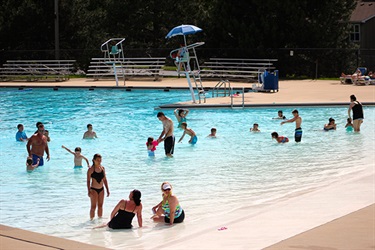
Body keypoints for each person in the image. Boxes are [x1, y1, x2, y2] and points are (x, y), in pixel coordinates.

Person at [87, 154, 110, 220]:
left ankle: (100, 220)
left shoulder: (102, 168)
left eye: (100, 160)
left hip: (101, 189)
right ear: (94, 160)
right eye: (97, 160)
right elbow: (88, 181)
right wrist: (89, 191)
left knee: (100, 206)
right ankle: (91, 221)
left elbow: (105, 179)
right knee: (93, 207)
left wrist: (107, 189)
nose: (99, 161)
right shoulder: (90, 170)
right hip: (93, 189)